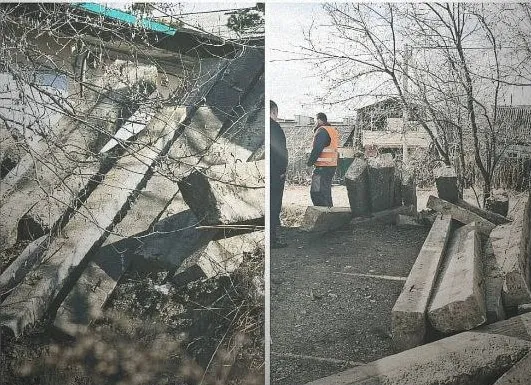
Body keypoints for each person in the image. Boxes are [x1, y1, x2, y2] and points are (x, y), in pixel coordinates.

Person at [307, 112, 339, 207]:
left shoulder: (321, 131)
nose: (314, 123)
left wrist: (309, 164)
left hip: (322, 167)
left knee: (316, 192)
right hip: (331, 166)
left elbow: (317, 149)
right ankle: (330, 215)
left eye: (315, 120)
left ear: (319, 120)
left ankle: (324, 216)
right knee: (325, 193)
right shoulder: (332, 131)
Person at [270, 100, 288, 248]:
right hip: (275, 174)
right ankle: (272, 240)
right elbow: (281, 151)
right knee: (274, 206)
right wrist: (282, 171)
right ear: (274, 111)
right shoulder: (274, 127)